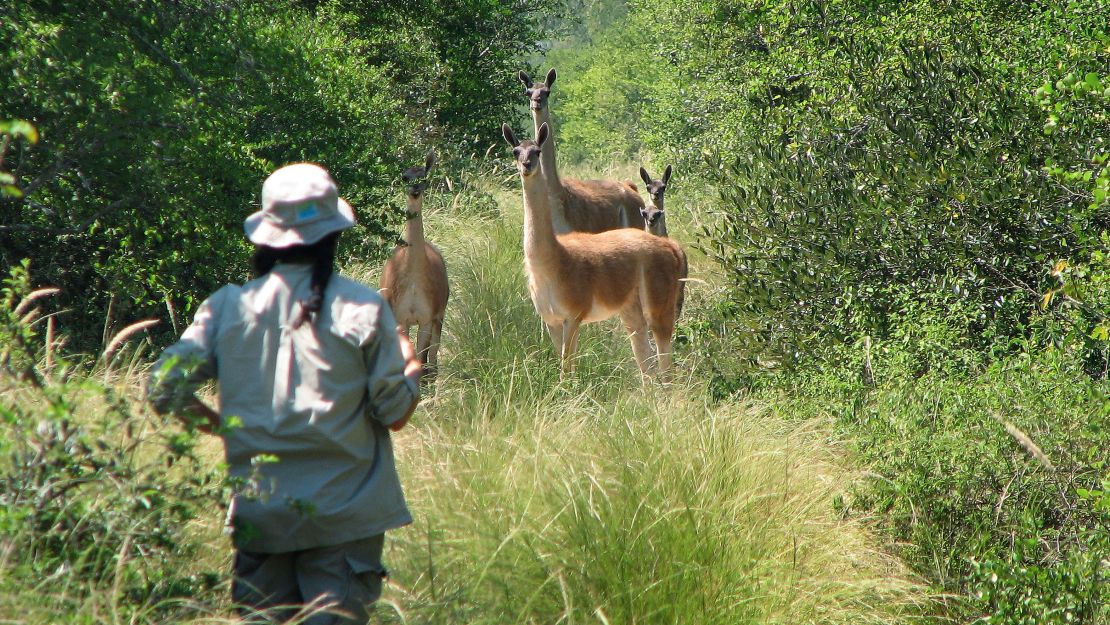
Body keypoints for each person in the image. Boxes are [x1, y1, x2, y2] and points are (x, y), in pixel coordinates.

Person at [148, 162, 422, 625]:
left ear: (266, 237)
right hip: (344, 521)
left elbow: (163, 386)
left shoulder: (226, 308)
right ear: (333, 235)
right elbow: (394, 413)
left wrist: (224, 428)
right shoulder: (363, 308)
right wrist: (410, 363)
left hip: (261, 517)